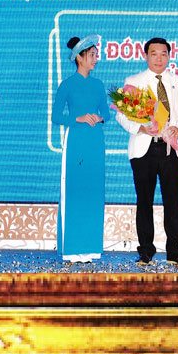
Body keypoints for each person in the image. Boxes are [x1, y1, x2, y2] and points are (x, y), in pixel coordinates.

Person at [115, 37, 178, 267]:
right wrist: (140, 127)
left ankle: (174, 252)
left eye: (163, 54)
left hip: (171, 148)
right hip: (144, 148)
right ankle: (146, 252)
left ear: (169, 56)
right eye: (154, 54)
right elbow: (122, 115)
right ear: (145, 56)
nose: (159, 59)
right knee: (144, 201)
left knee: (173, 201)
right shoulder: (134, 82)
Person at [50, 35, 110, 263]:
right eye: (92, 55)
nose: (96, 59)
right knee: (75, 190)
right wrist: (79, 118)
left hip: (95, 141)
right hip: (76, 140)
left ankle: (91, 247)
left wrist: (99, 117)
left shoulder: (98, 85)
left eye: (96, 55)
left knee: (93, 191)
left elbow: (106, 113)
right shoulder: (67, 84)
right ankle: (72, 248)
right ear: (80, 57)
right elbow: (56, 116)